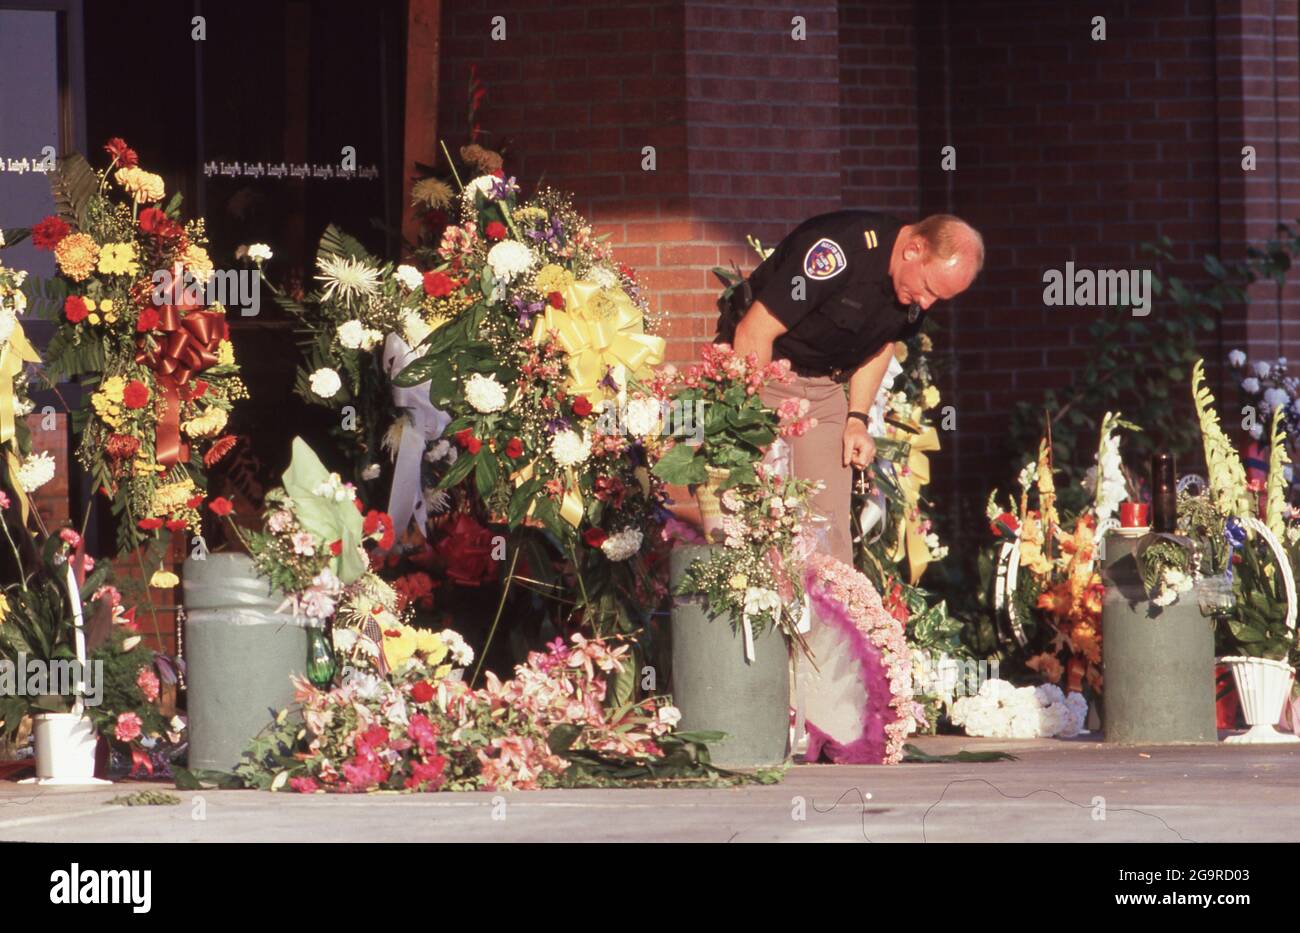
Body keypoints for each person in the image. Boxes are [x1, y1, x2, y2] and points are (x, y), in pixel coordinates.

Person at [716, 211, 983, 565]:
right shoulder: (839, 251)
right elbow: (754, 332)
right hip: (764, 375)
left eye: (939, 299)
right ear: (914, 249)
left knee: (828, 535)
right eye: (930, 289)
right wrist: (747, 422)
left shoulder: (911, 293)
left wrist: (856, 419)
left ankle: (827, 619)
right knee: (755, 520)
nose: (927, 303)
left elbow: (881, 343)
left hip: (824, 389)